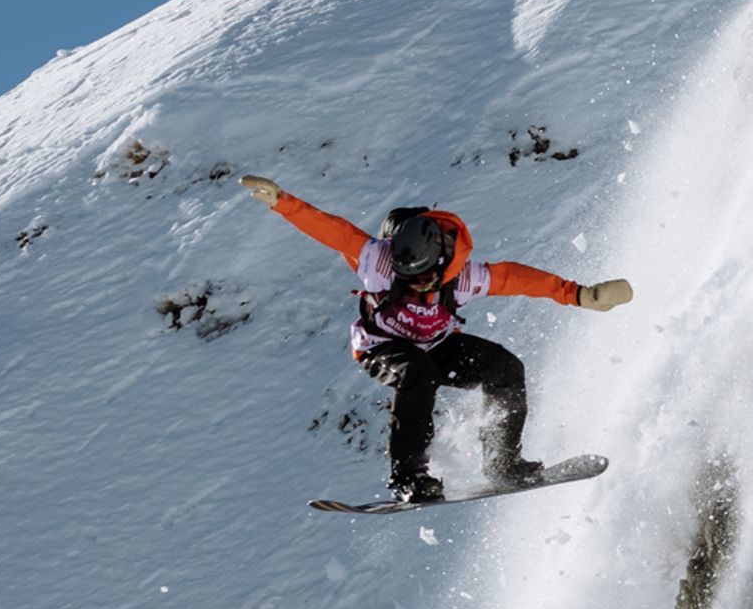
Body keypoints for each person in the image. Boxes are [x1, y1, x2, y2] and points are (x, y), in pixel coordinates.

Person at [240, 175, 633, 503]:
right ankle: (408, 477)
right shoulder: (374, 259)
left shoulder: (462, 276)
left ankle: (502, 461)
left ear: (441, 264)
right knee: (418, 374)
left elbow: (516, 278)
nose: (415, 284)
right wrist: (283, 202)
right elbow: (332, 230)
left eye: (424, 278)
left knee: (505, 369)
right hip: (381, 346)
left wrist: (580, 294)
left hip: (436, 343)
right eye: (406, 277)